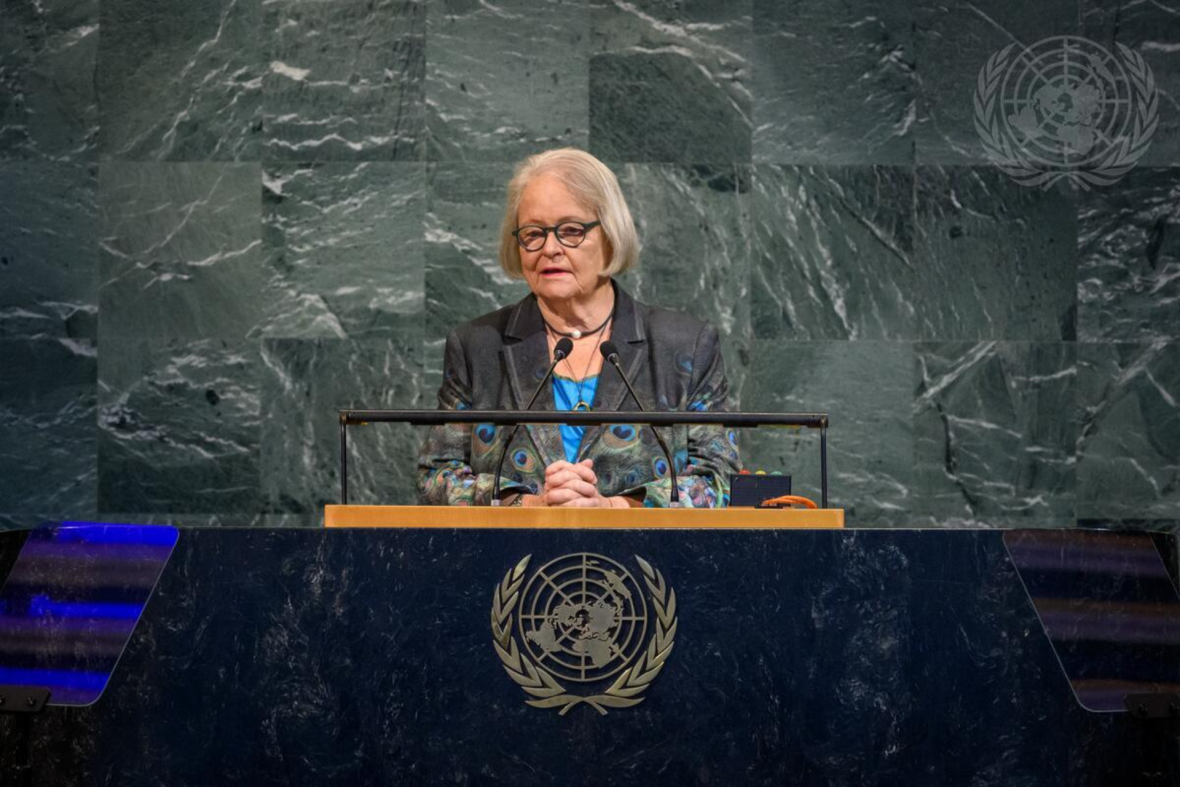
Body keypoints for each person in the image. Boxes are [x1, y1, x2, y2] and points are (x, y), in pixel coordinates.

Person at [416, 148, 740, 508]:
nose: (550, 248)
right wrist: (528, 505)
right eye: (533, 233)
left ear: (611, 236)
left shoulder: (685, 346)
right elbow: (437, 476)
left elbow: (719, 478)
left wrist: (614, 509)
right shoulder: (477, 347)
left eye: (570, 230)